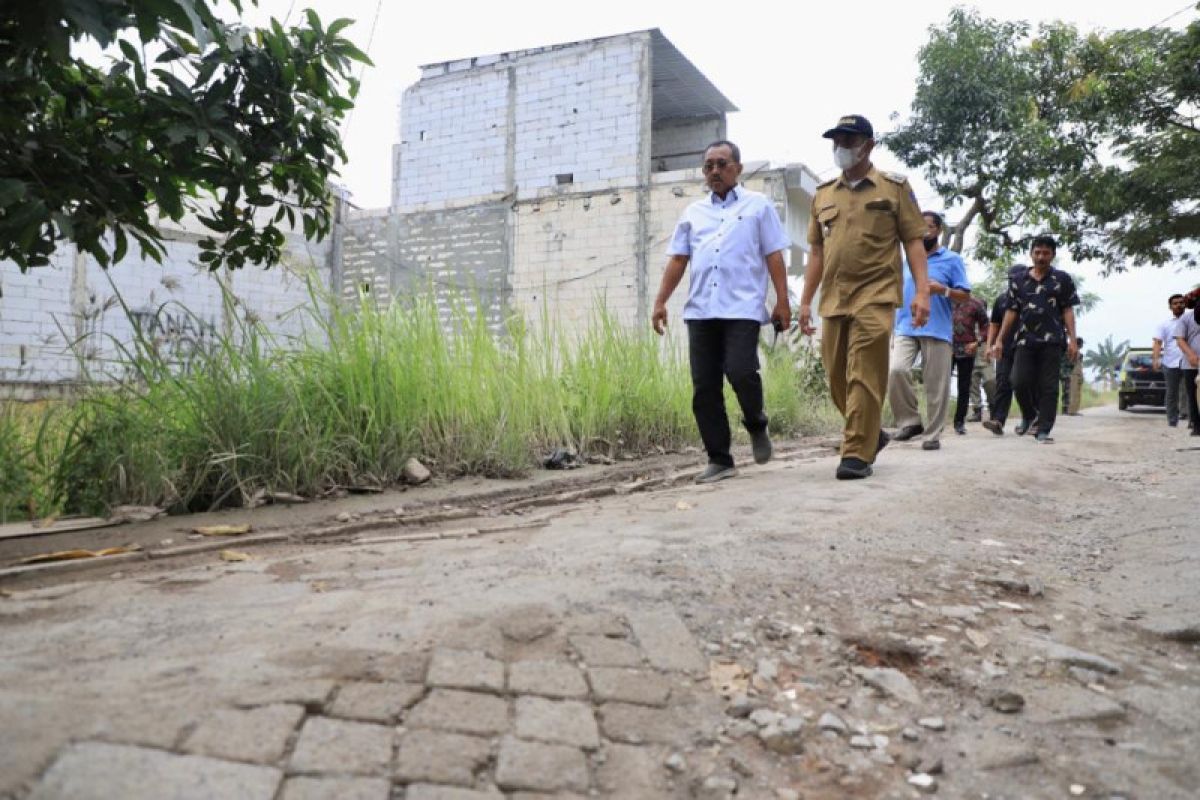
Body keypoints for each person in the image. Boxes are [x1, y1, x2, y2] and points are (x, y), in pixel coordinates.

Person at [797, 114, 930, 479]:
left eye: (850, 140)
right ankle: (873, 433)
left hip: (876, 293)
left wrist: (922, 292)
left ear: (869, 145)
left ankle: (856, 453)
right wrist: (805, 301)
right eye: (837, 141)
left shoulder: (894, 188)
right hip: (834, 298)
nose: (841, 148)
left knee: (864, 374)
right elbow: (817, 254)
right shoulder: (823, 194)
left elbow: (914, 242)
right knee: (836, 375)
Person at [652, 140, 791, 483]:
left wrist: (783, 302)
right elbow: (679, 259)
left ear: (738, 169)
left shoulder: (759, 206)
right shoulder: (693, 213)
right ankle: (720, 458)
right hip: (701, 310)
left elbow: (774, 255)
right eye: (708, 166)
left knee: (742, 370)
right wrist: (660, 301)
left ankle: (756, 423)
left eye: (722, 164)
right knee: (704, 388)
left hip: (742, 307)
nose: (714, 171)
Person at [888, 211, 971, 450]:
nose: (923, 231)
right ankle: (910, 421)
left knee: (936, 384)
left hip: (937, 329)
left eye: (928, 227)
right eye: (918, 226)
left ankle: (932, 435)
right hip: (905, 326)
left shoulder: (952, 260)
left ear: (939, 231)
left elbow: (965, 296)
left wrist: (942, 290)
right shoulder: (906, 261)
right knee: (896, 370)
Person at [990, 235, 1080, 443]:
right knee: (1018, 381)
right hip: (1024, 340)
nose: (1041, 257)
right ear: (1031, 254)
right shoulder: (1019, 280)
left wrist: (1073, 340)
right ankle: (1030, 414)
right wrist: (1000, 340)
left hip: (1053, 341)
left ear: (1053, 255)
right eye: (1037, 252)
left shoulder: (1062, 279)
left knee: (1048, 386)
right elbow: (1011, 312)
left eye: (1046, 253)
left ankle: (1043, 429)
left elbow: (1067, 310)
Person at [982, 267, 1026, 436]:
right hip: (1004, 348)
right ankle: (998, 420)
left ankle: (1031, 418)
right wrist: (989, 346)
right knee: (1002, 382)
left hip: (1025, 348)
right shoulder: (1001, 300)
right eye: (1011, 278)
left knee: (1023, 383)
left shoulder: (1031, 298)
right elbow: (994, 324)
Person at [951, 293, 990, 434]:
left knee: (964, 386)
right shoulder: (944, 300)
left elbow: (986, 325)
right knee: (940, 385)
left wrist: (977, 342)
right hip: (945, 348)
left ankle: (959, 422)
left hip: (967, 350)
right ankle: (936, 421)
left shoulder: (975, 303)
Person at [1153, 294, 1189, 427]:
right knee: (1171, 392)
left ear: (1185, 305)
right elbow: (1157, 342)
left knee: (1190, 391)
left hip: (1189, 362)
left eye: (1181, 302)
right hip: (1170, 362)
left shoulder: (1192, 321)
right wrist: (1156, 359)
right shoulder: (1164, 324)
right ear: (1170, 307)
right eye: (1175, 303)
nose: (1179, 305)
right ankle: (1172, 420)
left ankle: (1191, 419)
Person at [1174, 295, 1200, 436]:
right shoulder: (1186, 319)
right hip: (1191, 365)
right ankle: (1196, 424)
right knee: (1193, 395)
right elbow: (1180, 339)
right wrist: (1190, 354)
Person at [968, 349, 996, 422]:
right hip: (971, 353)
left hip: (985, 349)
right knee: (972, 383)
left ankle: (993, 408)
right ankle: (977, 411)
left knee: (990, 381)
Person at [1060, 337, 1084, 415]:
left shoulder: (1073, 351)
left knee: (1068, 391)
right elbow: (1069, 363)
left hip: (1067, 373)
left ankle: (1068, 410)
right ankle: (1066, 410)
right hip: (1066, 373)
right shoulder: (1070, 351)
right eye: (1081, 345)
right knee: (1067, 392)